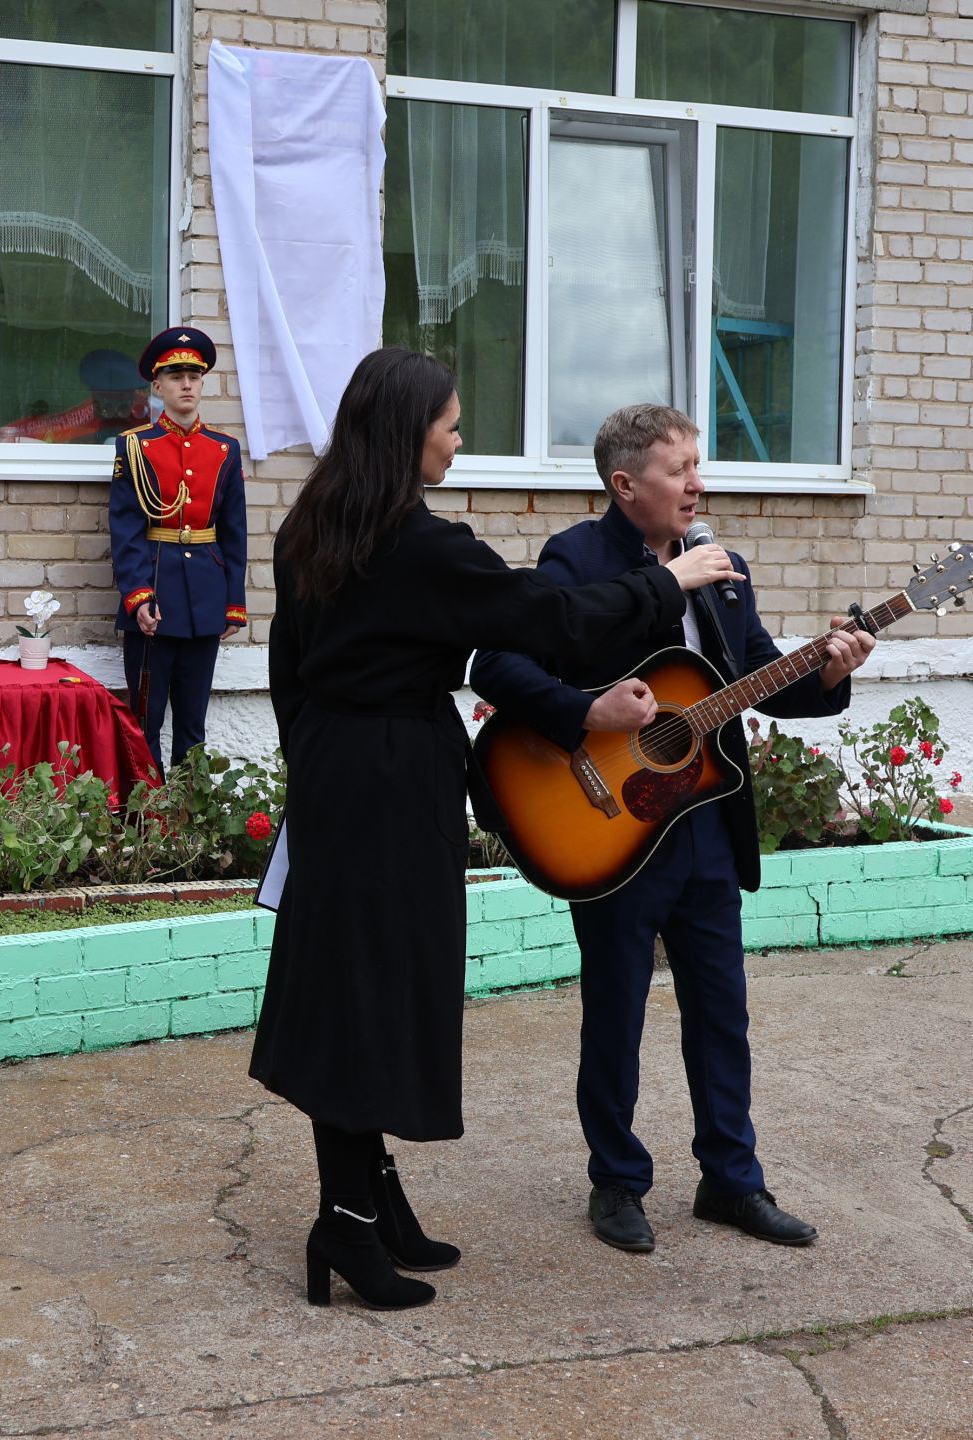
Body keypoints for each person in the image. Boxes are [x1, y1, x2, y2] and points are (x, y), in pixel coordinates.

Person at [249, 352, 744, 1311]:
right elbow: (545, 618)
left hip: (337, 772)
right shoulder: (419, 545)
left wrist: (314, 766)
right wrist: (667, 583)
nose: (460, 437)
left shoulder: (314, 525)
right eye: (450, 423)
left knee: (352, 993)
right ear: (407, 434)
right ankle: (344, 1226)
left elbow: (288, 671)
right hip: (392, 784)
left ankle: (369, 1200)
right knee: (379, 996)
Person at [471, 404, 876, 1257]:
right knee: (615, 1010)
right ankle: (617, 1182)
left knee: (721, 1012)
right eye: (677, 468)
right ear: (625, 486)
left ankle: (732, 1181)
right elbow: (502, 664)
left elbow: (758, 677)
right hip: (607, 825)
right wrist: (588, 711)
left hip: (702, 826)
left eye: (699, 464)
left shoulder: (727, 570)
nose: (698, 482)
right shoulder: (575, 559)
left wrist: (830, 672)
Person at [108, 326, 247, 777]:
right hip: (154, 601)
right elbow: (125, 528)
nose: (186, 384)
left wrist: (233, 603)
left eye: (193, 374)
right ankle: (146, 821)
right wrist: (138, 594)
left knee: (193, 726)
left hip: (204, 601)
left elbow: (234, 532)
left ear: (203, 381)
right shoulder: (136, 446)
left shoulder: (224, 450)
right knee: (145, 722)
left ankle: (190, 820)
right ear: (158, 386)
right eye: (175, 376)